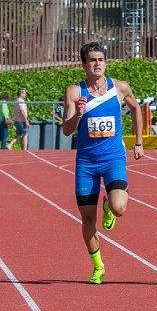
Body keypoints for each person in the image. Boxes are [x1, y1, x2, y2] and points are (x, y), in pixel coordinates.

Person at [62, 41, 144, 284]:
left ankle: (108, 205)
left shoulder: (119, 88)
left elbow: (136, 108)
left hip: (113, 159)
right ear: (84, 64)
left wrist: (138, 142)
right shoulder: (74, 92)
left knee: (119, 207)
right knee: (88, 219)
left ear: (105, 62)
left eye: (101, 59)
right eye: (92, 60)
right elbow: (66, 131)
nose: (97, 64)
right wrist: (78, 115)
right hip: (86, 163)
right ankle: (98, 267)